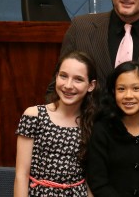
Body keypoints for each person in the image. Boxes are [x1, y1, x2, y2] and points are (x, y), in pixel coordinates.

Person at [14, 51, 97, 196]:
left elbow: (92, 179)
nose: (68, 85)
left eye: (78, 79)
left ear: (91, 85)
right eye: (63, 76)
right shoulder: (34, 115)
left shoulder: (92, 122)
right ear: (56, 77)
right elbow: (21, 175)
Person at [86, 61, 139, 196]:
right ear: (113, 92)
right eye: (121, 89)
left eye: (136, 88)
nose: (128, 95)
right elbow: (98, 180)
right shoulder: (102, 129)